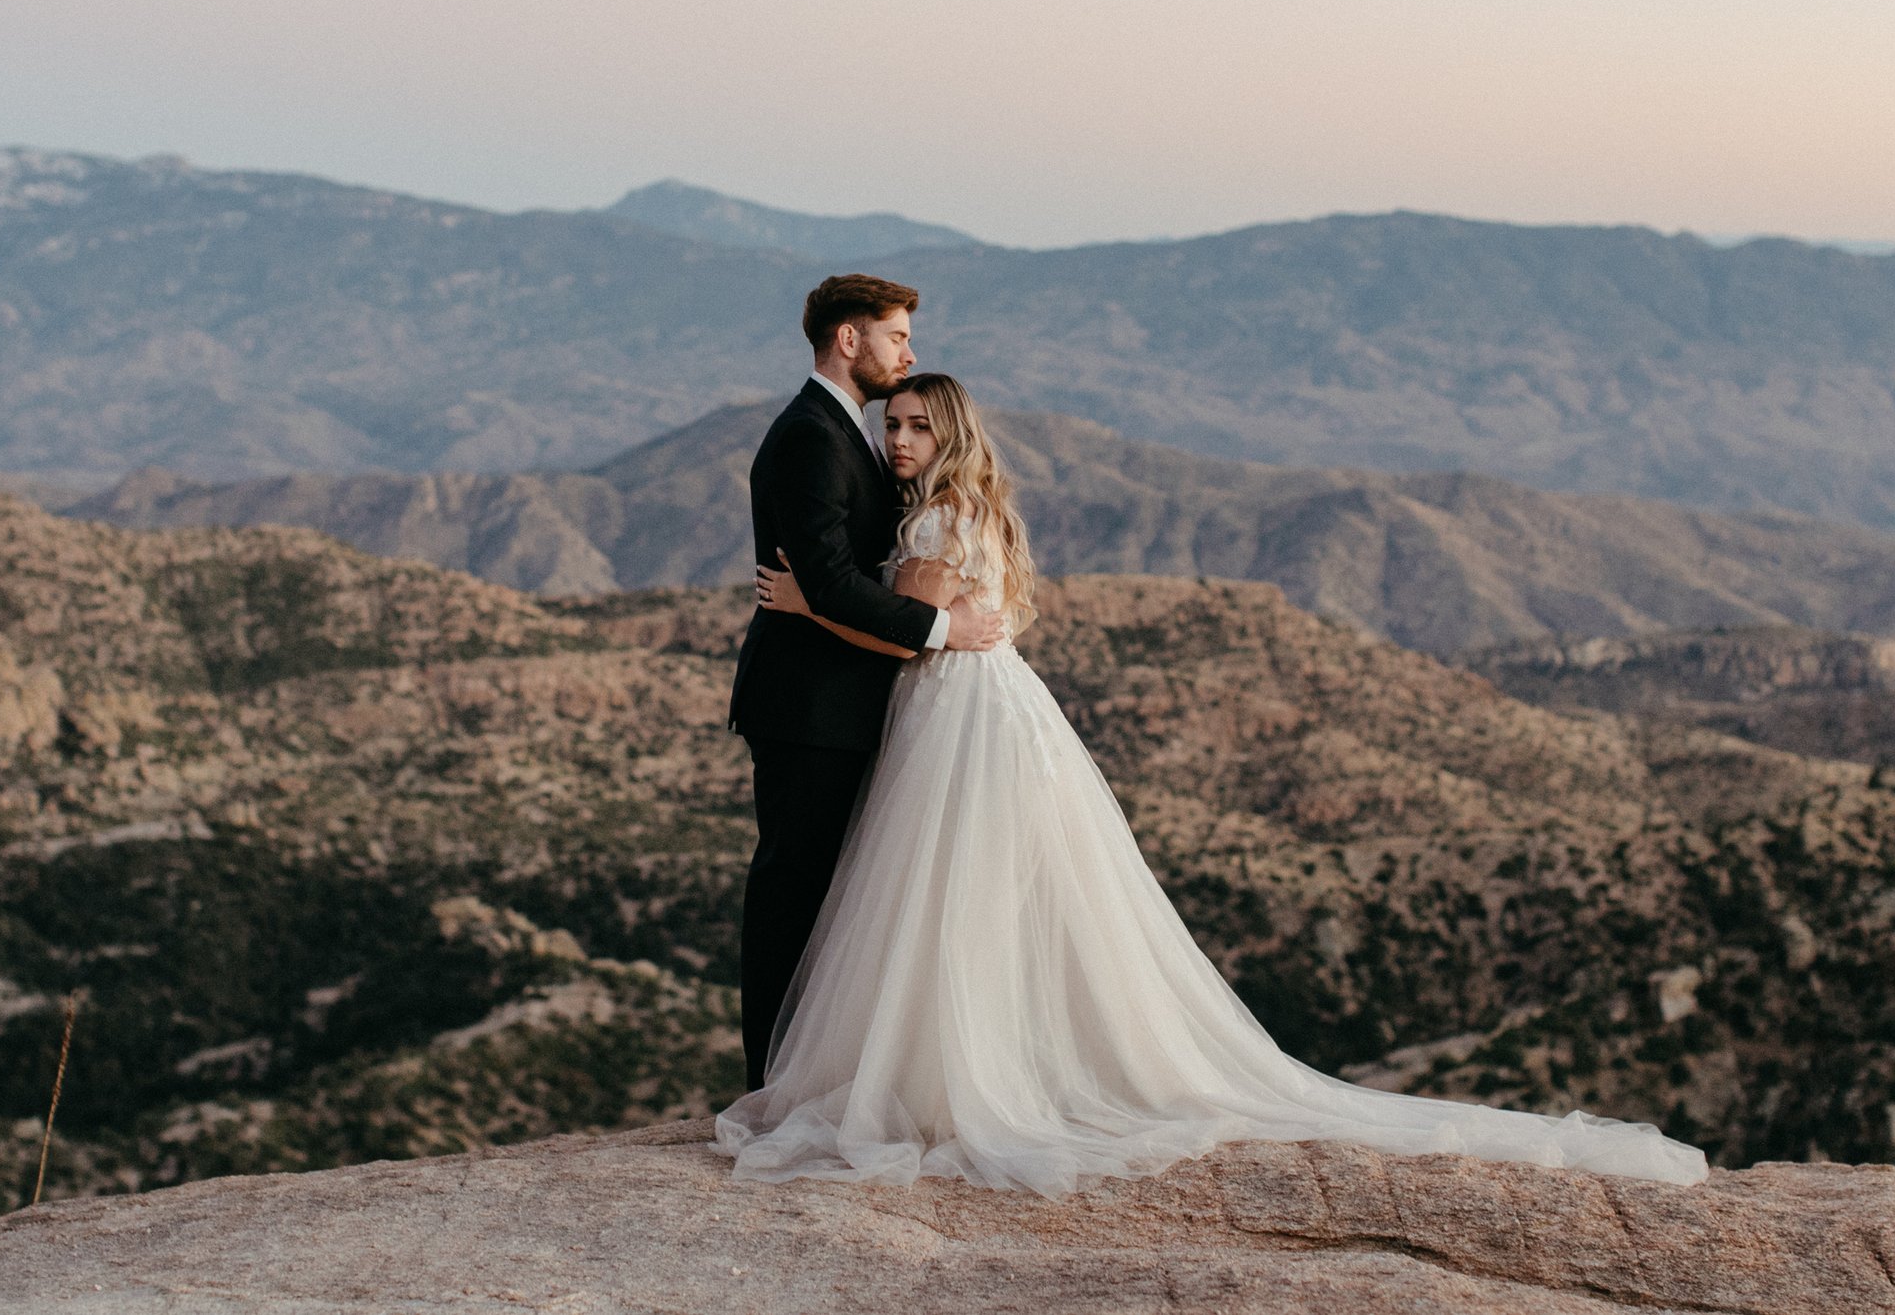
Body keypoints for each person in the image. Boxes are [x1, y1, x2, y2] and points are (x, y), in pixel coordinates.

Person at [715, 371, 1708, 1195]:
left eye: (914, 423)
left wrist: (807, 603)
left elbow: (905, 630)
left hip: (955, 712)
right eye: (891, 421)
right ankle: (962, 1070)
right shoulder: (976, 508)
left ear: (952, 432)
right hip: (998, 707)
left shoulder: (935, 525)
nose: (895, 436)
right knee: (972, 902)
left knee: (940, 898)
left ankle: (945, 1082)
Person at [726, 275, 1007, 1092]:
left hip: (850, 703)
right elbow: (832, 579)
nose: (908, 353)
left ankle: (819, 1076)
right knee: (793, 894)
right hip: (810, 708)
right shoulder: (811, 435)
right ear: (849, 341)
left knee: (835, 900)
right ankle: (774, 1083)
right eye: (895, 337)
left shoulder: (844, 431)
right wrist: (943, 631)